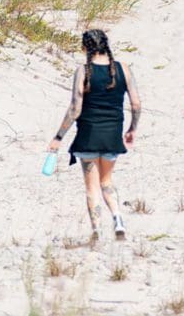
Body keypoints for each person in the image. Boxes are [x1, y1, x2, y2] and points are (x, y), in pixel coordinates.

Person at [49, 29, 141, 241]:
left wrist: (59, 137)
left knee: (92, 186)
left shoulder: (83, 71)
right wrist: (132, 128)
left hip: (89, 133)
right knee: (106, 180)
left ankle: (97, 229)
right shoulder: (123, 69)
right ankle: (118, 219)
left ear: (85, 48)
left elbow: (75, 108)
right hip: (112, 133)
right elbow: (136, 104)